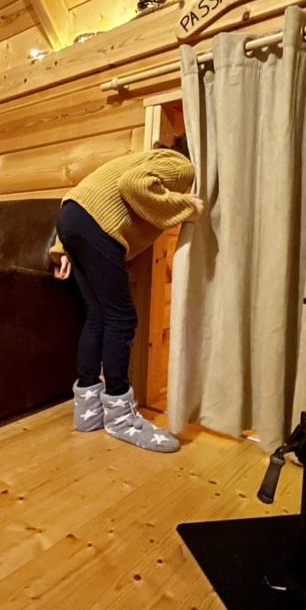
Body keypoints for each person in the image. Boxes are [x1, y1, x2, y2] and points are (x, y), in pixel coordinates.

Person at [49, 135, 203, 453]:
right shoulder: (181, 165)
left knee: (97, 316)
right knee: (122, 318)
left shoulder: (147, 158)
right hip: (93, 223)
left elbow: (85, 198)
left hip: (70, 217)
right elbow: (133, 184)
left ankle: (88, 412)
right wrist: (188, 206)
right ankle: (121, 419)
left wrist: (63, 247)